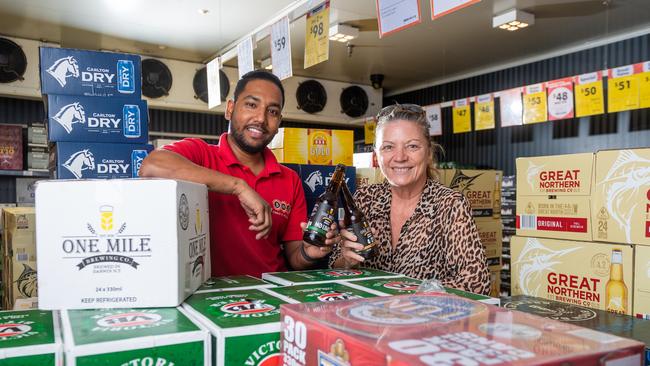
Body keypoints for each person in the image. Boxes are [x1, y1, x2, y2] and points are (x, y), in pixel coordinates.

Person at [139, 70, 335, 278]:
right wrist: (238, 187)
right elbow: (151, 166)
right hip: (212, 296)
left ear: (279, 123)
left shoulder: (289, 179)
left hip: (273, 293)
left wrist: (309, 253)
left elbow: (295, 258)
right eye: (251, 105)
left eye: (272, 111)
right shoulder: (202, 154)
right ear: (230, 109)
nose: (260, 118)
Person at [329, 103, 490, 295]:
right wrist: (347, 261)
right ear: (377, 155)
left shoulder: (450, 204)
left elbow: (477, 283)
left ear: (429, 153)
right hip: (369, 317)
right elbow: (335, 265)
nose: (400, 157)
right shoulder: (365, 198)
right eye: (388, 147)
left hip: (425, 320)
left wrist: (408, 295)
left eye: (412, 146)